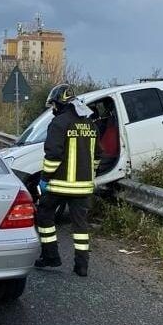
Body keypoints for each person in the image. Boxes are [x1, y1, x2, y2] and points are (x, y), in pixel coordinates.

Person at [34, 84, 101, 277]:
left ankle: (51, 257)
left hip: (58, 185)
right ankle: (82, 266)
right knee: (81, 226)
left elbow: (53, 155)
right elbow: (97, 155)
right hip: (83, 187)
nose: (53, 109)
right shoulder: (90, 124)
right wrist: (90, 175)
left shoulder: (59, 123)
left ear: (59, 104)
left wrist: (44, 179)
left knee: (45, 215)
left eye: (54, 105)